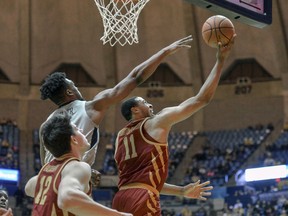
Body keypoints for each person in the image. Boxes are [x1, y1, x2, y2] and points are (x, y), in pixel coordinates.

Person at [39, 36, 193, 185]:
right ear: (69, 92)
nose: (76, 87)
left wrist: (84, 170)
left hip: (48, 185)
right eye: (73, 85)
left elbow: (46, 166)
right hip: (70, 183)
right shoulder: (90, 107)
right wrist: (164, 52)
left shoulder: (45, 125)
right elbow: (135, 78)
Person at [112, 35, 236, 215]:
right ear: (135, 110)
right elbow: (202, 99)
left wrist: (181, 191)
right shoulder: (156, 122)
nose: (150, 105)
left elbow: (140, 180)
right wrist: (220, 60)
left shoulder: (120, 137)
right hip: (143, 197)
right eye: (145, 102)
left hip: (120, 198)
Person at [25, 112, 132, 216]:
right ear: (74, 140)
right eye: (77, 129)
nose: (81, 129)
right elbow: (67, 198)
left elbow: (29, 187)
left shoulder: (47, 170)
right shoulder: (78, 166)